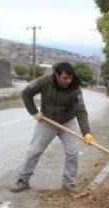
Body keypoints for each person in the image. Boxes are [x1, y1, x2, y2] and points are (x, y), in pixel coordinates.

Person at [10, 62, 95, 193]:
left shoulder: (75, 88)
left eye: (70, 77)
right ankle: (23, 179)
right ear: (57, 75)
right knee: (34, 151)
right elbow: (26, 93)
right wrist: (34, 112)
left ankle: (69, 182)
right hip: (47, 121)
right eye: (65, 78)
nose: (69, 81)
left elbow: (81, 111)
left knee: (72, 152)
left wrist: (86, 133)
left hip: (67, 122)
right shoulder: (44, 81)